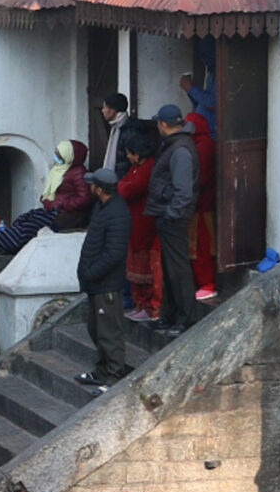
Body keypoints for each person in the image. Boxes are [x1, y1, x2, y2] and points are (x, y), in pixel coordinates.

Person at [76, 168, 132, 386]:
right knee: (96, 329)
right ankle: (101, 371)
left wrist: (92, 272)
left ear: (99, 189)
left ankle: (114, 376)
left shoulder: (118, 213)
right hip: (95, 283)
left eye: (93, 185)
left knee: (110, 333)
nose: (90, 187)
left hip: (106, 284)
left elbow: (114, 254)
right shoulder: (102, 207)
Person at [145, 106, 199, 333]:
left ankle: (185, 318)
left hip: (174, 216)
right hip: (168, 214)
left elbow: (183, 191)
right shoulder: (176, 146)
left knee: (178, 270)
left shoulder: (180, 150)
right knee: (169, 269)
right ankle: (171, 315)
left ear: (163, 125)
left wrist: (171, 215)